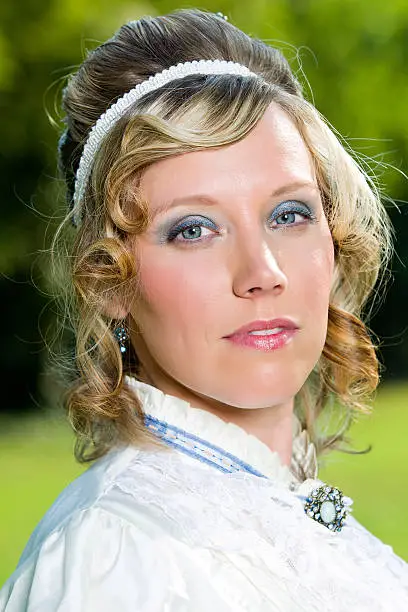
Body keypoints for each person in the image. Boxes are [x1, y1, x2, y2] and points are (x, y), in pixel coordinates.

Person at [1, 7, 407, 611]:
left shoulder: (302, 521)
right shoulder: (116, 555)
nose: (263, 273)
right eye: (194, 229)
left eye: (289, 214)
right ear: (109, 279)